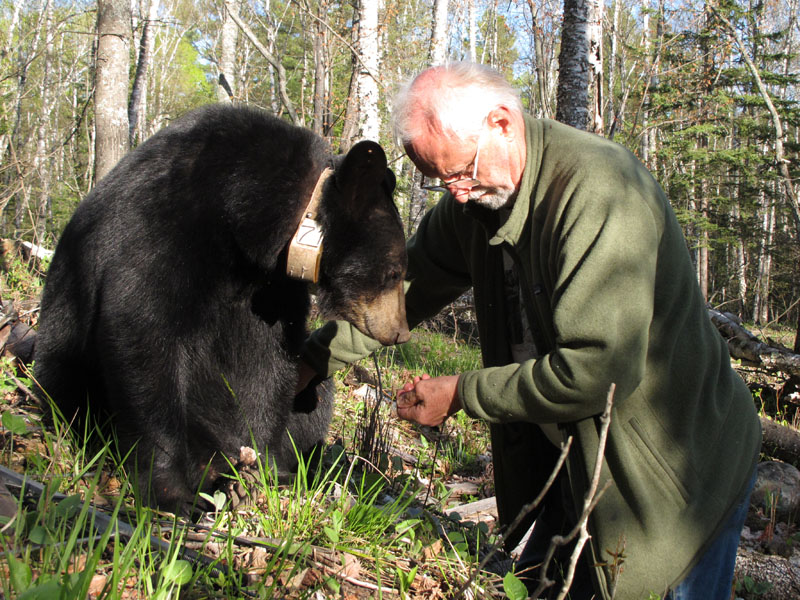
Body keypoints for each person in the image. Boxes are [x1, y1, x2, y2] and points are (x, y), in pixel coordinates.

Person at [297, 62, 761, 599]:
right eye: (440, 179)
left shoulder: (599, 192)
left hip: (674, 481)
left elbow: (598, 371)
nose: (457, 194)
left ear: (502, 123)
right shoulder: (471, 205)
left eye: (462, 172)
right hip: (571, 462)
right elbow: (400, 293)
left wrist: (462, 392)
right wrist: (312, 360)